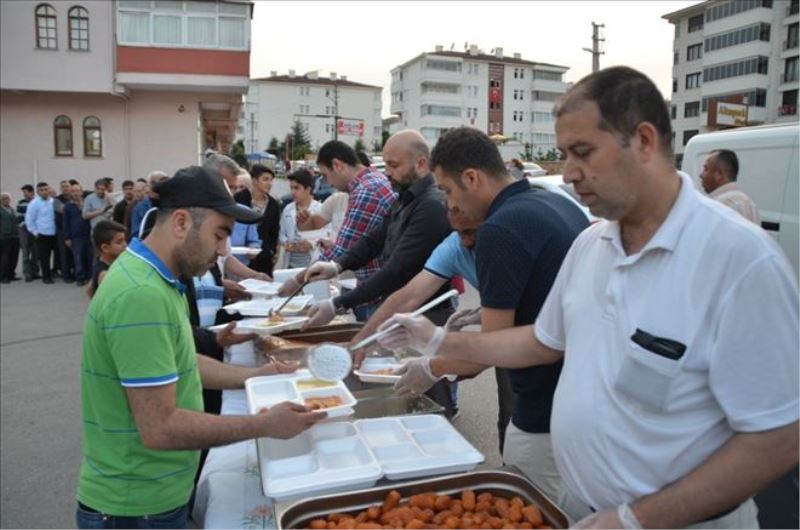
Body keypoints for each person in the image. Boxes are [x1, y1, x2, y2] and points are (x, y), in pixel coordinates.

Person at [377, 66, 799, 529]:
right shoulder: (592, 244)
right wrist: (439, 342)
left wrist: (636, 519)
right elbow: (542, 341)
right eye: (564, 155)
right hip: (580, 505)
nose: (569, 173)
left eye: (582, 152)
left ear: (643, 141)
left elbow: (779, 437)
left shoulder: (739, 259)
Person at [76, 166, 325, 528]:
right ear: (180, 222)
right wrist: (263, 424)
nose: (223, 250)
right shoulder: (141, 294)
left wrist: (256, 374)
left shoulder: (158, 279)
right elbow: (161, 427)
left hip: (153, 496)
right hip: (135, 507)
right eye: (219, 235)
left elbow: (180, 361)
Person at [386, 127, 588, 499]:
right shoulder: (554, 203)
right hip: (585, 403)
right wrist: (485, 313)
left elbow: (490, 350)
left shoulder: (499, 228)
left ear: (472, 178)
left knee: (538, 511)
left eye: (448, 190)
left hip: (544, 410)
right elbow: (549, 298)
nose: (450, 205)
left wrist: (432, 365)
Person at [285, 130, 457, 416]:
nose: (387, 173)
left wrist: (338, 303)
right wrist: (338, 265)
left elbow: (396, 271)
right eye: (385, 164)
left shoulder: (430, 205)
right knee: (403, 393)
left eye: (394, 165)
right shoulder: (405, 197)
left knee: (427, 399)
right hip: (400, 311)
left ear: (421, 163)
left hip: (426, 313)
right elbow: (374, 239)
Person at [281, 140, 396, 320]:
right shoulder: (371, 182)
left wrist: (297, 281)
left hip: (382, 294)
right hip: (378, 289)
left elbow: (340, 252)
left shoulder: (366, 191)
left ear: (337, 165)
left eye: (326, 175)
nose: (328, 182)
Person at [234, 164, 281, 276]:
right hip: (240, 258)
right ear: (254, 180)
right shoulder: (239, 199)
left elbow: (274, 232)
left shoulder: (273, 204)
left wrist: (271, 251)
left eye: (271, 180)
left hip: (264, 259)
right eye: (265, 179)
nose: (269, 183)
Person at [699, 149, 760, 225]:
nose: (701, 175)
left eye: (706, 169)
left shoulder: (718, 205)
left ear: (719, 174)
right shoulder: (750, 204)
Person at [279, 168, 321, 268]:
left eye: (297, 188)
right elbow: (282, 233)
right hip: (290, 264)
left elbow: (327, 236)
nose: (293, 192)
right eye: (291, 188)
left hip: (311, 264)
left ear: (308, 189)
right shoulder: (288, 209)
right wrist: (285, 242)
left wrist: (311, 244)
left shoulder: (320, 210)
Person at [25, 182, 57, 284]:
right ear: (38, 192)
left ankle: (54, 272)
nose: (44, 192)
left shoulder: (53, 201)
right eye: (41, 190)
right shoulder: (34, 204)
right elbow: (29, 220)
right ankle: (46, 277)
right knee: (44, 257)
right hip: (42, 234)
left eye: (46, 189)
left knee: (58, 255)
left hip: (55, 233)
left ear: (49, 190)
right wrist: (35, 233)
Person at [86, 220, 127, 298]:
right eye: (119, 242)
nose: (125, 244)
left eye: (124, 240)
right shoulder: (105, 275)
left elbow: (88, 289)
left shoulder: (101, 263)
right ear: (105, 248)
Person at [63, 183, 93, 287]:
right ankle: (80, 278)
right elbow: (65, 223)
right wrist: (67, 238)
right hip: (76, 237)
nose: (75, 193)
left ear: (81, 192)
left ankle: (90, 277)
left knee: (90, 257)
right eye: (73, 191)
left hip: (88, 234)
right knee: (78, 258)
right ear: (71, 193)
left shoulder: (87, 203)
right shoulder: (68, 206)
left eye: (77, 191)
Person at [129, 171, 169, 240]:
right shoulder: (140, 208)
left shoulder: (171, 205)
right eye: (154, 183)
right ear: (149, 186)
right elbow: (137, 235)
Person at [17, 184, 39, 282]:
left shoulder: (38, 202)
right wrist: (27, 227)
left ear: (32, 192)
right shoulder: (21, 203)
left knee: (36, 253)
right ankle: (27, 274)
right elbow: (19, 217)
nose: (24, 195)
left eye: (25, 192)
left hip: (36, 231)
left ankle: (35, 272)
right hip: (24, 231)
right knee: (26, 253)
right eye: (23, 193)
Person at [54, 180, 75, 282]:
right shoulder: (57, 200)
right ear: (60, 189)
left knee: (74, 253)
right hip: (62, 230)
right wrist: (74, 204)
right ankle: (66, 276)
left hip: (74, 229)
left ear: (71, 187)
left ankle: (75, 273)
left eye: (67, 186)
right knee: (64, 253)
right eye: (63, 187)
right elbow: (62, 210)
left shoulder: (74, 198)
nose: (65, 188)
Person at [0, 192, 20, 283]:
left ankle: (11, 274)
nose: (5, 200)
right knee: (4, 257)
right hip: (4, 237)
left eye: (7, 198)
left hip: (15, 236)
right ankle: (3, 276)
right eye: (3, 198)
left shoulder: (12, 209)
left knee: (14, 256)